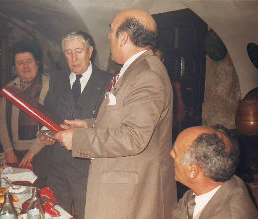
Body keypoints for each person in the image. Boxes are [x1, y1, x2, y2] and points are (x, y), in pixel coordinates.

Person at [53, 9, 177, 219]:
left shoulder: (147, 75)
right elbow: (124, 118)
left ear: (124, 38)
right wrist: (89, 125)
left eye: (111, 31)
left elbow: (133, 136)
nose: (108, 36)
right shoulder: (135, 69)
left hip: (132, 192)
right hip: (124, 185)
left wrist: (79, 139)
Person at [38, 31, 111, 218]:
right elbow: (47, 114)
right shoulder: (57, 79)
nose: (73, 58)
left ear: (90, 51)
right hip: (57, 168)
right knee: (56, 214)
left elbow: (111, 125)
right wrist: (45, 133)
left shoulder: (107, 81)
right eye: (68, 52)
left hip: (88, 169)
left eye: (78, 51)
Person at [170, 126, 258, 219]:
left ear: (192, 170)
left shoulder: (227, 214)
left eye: (175, 154)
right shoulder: (206, 186)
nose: (171, 154)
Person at [0, 40, 50, 169]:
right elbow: (2, 121)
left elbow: (53, 121)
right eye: (20, 63)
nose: (25, 67)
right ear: (14, 69)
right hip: (15, 154)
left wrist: (33, 150)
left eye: (29, 61)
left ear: (37, 63)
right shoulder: (9, 89)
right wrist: (8, 149)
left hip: (45, 152)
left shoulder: (49, 86)